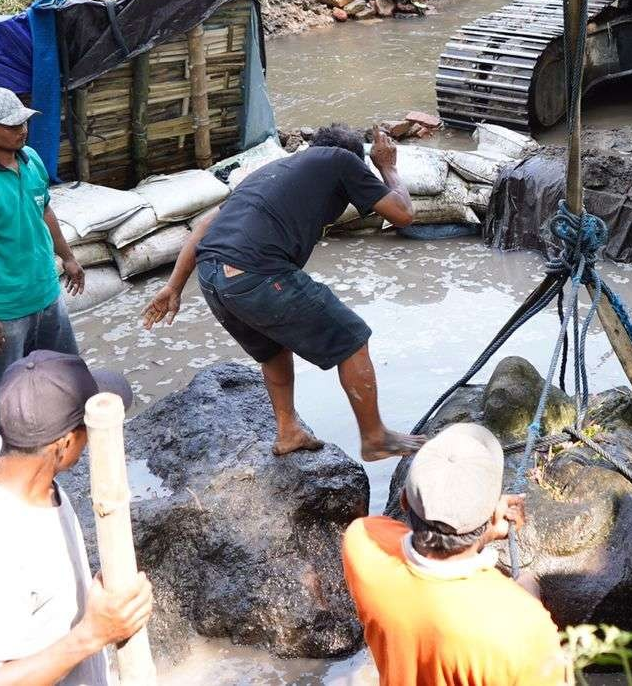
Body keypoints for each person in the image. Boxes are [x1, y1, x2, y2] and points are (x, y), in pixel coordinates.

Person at [140, 124, 426, 462]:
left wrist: (174, 286)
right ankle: (375, 437)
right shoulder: (341, 160)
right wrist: (387, 166)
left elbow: (204, 226)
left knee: (273, 350)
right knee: (351, 337)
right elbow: (404, 214)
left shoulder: (271, 170)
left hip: (212, 277)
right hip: (254, 270)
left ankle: (288, 431)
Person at [0, 350, 152, 686]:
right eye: (87, 428)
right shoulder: (3, 543)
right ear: (64, 444)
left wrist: (4, 614)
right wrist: (92, 635)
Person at [341, 423, 566, 686]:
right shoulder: (525, 627)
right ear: (493, 513)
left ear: (403, 501)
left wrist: (484, 526)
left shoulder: (362, 544)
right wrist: (529, 599)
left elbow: (392, 534)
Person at [0, 86, 86, 438]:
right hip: (6, 309)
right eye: (11, 125)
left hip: (46, 292)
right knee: (3, 388)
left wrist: (67, 258)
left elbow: (45, 210)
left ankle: (65, 431)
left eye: (24, 122)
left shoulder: (31, 159)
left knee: (64, 370)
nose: (22, 130)